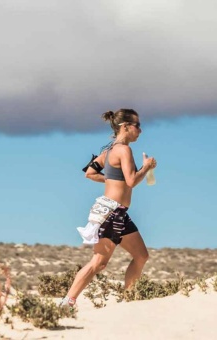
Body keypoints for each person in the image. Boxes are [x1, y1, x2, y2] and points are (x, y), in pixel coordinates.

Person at [60, 108, 157, 309]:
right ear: (125, 127)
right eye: (137, 125)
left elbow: (89, 172)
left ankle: (129, 301)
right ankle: (67, 302)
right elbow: (131, 181)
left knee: (141, 255)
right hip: (111, 212)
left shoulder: (109, 150)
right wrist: (146, 167)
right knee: (98, 263)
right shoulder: (123, 150)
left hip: (118, 213)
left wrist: (112, 179)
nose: (140, 130)